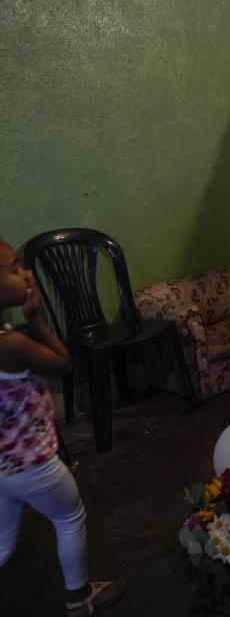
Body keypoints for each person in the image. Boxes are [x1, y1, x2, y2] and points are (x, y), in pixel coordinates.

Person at [0, 239, 126, 616]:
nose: (25, 273)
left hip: (3, 468)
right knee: (69, 517)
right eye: (13, 268)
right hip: (34, 465)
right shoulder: (13, 343)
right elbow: (63, 363)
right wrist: (36, 317)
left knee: (3, 542)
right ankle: (80, 597)